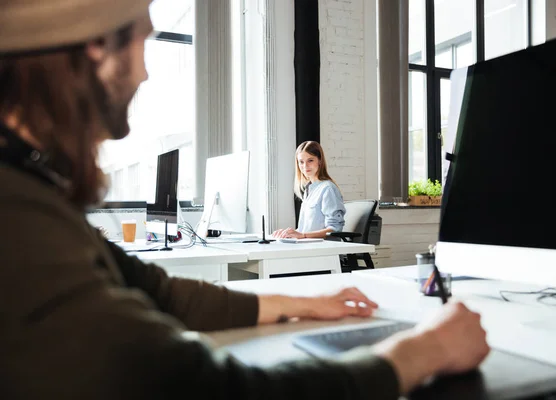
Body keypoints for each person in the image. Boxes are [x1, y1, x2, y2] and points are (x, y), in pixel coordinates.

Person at [0, 1, 490, 399]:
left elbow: (158, 291)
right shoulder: (18, 216)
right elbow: (212, 388)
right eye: (141, 41)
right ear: (94, 47)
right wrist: (420, 353)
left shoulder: (30, 185)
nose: (145, 74)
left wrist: (303, 303)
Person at [273, 141, 346, 239]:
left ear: (320, 161)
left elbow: (335, 229)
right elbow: (306, 230)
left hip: (323, 249)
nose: (305, 166)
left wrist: (303, 235)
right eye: (301, 162)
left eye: (310, 160)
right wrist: (289, 234)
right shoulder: (309, 190)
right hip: (308, 246)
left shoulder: (327, 189)